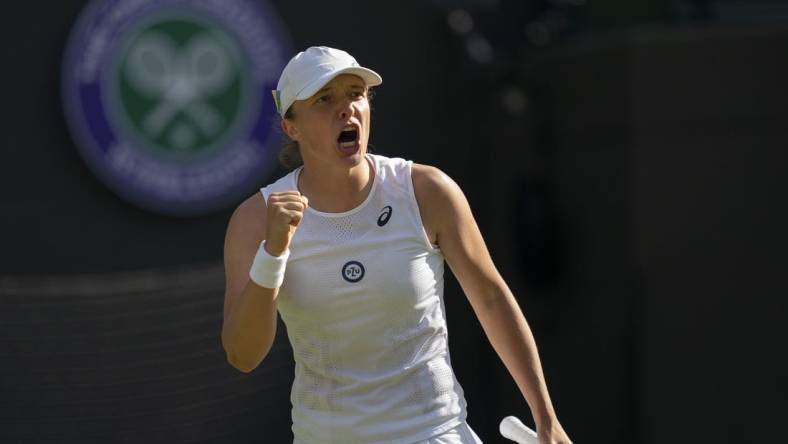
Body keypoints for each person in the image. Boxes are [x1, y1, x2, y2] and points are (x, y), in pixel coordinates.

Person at [221, 46, 571, 444]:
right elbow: (243, 355)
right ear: (292, 127)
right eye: (324, 99)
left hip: (434, 433)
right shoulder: (254, 220)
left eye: (355, 93)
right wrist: (274, 252)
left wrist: (546, 419)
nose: (347, 109)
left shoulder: (427, 191)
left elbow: (491, 299)